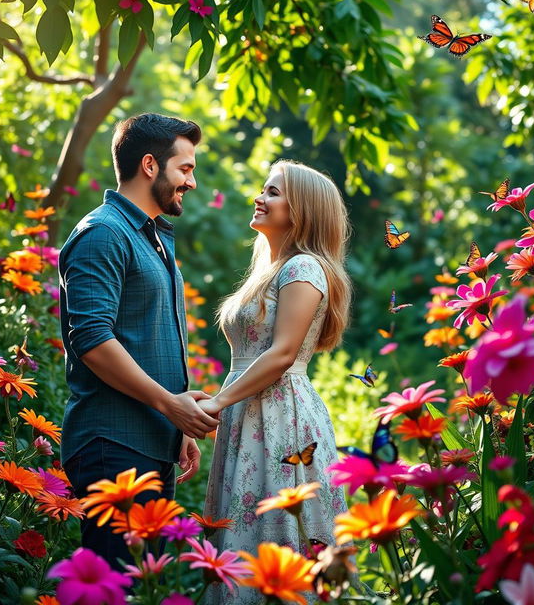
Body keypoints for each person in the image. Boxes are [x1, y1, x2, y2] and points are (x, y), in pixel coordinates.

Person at [58, 113, 219, 568]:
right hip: (113, 446)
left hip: (149, 443)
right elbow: (91, 340)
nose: (191, 181)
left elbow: (144, 339)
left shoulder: (152, 238)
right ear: (150, 165)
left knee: (144, 590)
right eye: (184, 168)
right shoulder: (104, 233)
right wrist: (169, 404)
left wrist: (172, 420)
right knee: (116, 590)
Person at [198, 160, 352, 604]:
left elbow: (283, 354)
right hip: (251, 410)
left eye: (273, 192)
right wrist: (222, 402)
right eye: (263, 189)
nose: (259, 198)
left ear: (302, 209)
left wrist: (218, 402)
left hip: (281, 413)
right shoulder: (273, 268)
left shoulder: (303, 268)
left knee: (279, 539)